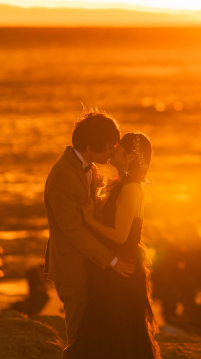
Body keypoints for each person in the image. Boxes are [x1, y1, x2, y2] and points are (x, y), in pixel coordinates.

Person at [43, 110, 135, 357]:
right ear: (88, 146)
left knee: (93, 334)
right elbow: (72, 230)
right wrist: (112, 260)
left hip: (90, 264)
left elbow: (88, 213)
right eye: (108, 146)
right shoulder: (63, 176)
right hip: (72, 267)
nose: (112, 151)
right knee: (79, 338)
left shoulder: (88, 168)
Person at [66, 132, 161, 359]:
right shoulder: (122, 185)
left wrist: (89, 220)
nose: (112, 151)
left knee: (116, 335)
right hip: (114, 268)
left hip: (121, 272)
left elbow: (119, 236)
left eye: (118, 148)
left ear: (129, 157)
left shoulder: (131, 189)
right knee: (106, 333)